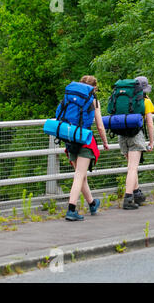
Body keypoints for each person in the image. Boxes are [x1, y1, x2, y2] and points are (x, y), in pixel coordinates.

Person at [65, 75, 110, 221]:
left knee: (81, 176)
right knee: (79, 175)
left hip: (70, 137)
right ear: (94, 87)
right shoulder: (93, 100)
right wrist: (105, 142)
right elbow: (100, 126)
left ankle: (92, 203)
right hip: (84, 139)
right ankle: (71, 209)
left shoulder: (71, 96)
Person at [121, 76, 154, 210]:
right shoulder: (145, 101)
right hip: (136, 135)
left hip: (121, 135)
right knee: (133, 168)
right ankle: (128, 198)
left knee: (131, 167)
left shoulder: (125, 99)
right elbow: (150, 124)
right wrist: (151, 142)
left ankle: (137, 193)